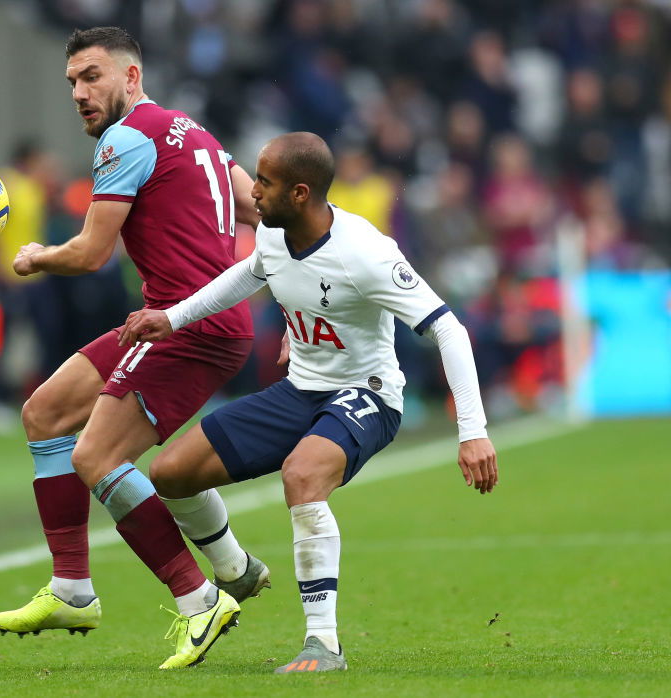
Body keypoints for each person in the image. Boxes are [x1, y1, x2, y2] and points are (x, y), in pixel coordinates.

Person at [120, 132, 498, 674]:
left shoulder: (366, 253)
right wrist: (171, 318)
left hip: (367, 396)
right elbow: (243, 278)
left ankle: (324, 643)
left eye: (265, 182)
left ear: (300, 193)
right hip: (301, 389)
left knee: (302, 474)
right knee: (172, 472)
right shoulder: (273, 236)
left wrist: (473, 430)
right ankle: (237, 570)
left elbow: (449, 330)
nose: (253, 192)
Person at [0, 26, 267, 669]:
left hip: (183, 328)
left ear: (131, 76)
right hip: (179, 322)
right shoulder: (192, 132)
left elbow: (89, 255)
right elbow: (258, 204)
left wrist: (35, 258)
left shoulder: (125, 138)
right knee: (46, 412)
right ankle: (72, 589)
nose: (81, 93)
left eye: (92, 77)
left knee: (97, 456)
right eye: (72, 83)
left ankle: (199, 600)